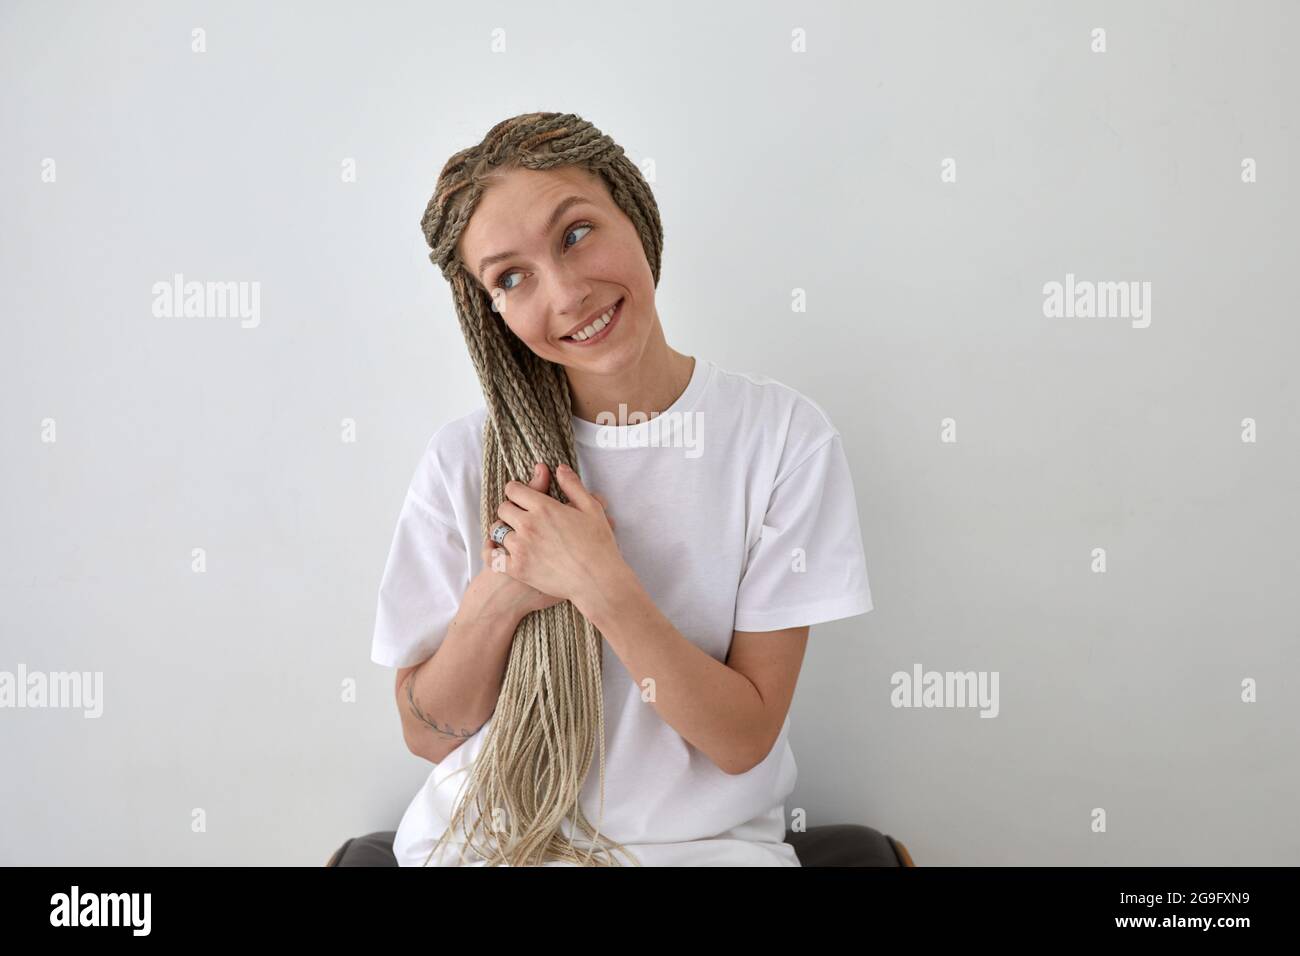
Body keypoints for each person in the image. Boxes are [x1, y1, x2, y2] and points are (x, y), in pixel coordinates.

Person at [371, 112, 874, 866]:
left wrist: (599, 581)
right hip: (485, 845)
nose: (567, 294)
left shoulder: (782, 438)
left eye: (575, 233)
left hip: (702, 850)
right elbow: (425, 731)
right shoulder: (463, 461)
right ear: (492, 311)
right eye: (512, 277)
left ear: (635, 212)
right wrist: (502, 595)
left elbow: (743, 740)